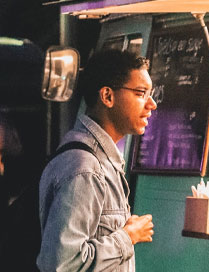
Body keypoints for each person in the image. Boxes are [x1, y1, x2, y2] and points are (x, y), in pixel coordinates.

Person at [37, 50, 157, 271]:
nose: (152, 104)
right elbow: (62, 264)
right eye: (141, 93)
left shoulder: (101, 161)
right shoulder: (85, 169)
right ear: (107, 96)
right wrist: (127, 237)